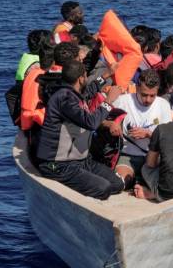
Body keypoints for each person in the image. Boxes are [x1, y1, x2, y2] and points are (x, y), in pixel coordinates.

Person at [36, 60, 125, 200]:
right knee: (104, 188)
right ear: (81, 79)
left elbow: (88, 91)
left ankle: (81, 182)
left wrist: (107, 75)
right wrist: (109, 101)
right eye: (85, 75)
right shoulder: (64, 99)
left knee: (117, 184)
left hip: (81, 161)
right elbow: (90, 123)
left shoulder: (72, 92)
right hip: (58, 165)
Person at [111, 69, 173, 189]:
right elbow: (103, 121)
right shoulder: (123, 101)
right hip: (128, 156)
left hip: (153, 158)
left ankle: (142, 183)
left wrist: (149, 134)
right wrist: (112, 125)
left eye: (152, 95)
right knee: (120, 183)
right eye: (144, 95)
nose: (148, 100)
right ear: (137, 88)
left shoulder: (163, 104)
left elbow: (167, 138)